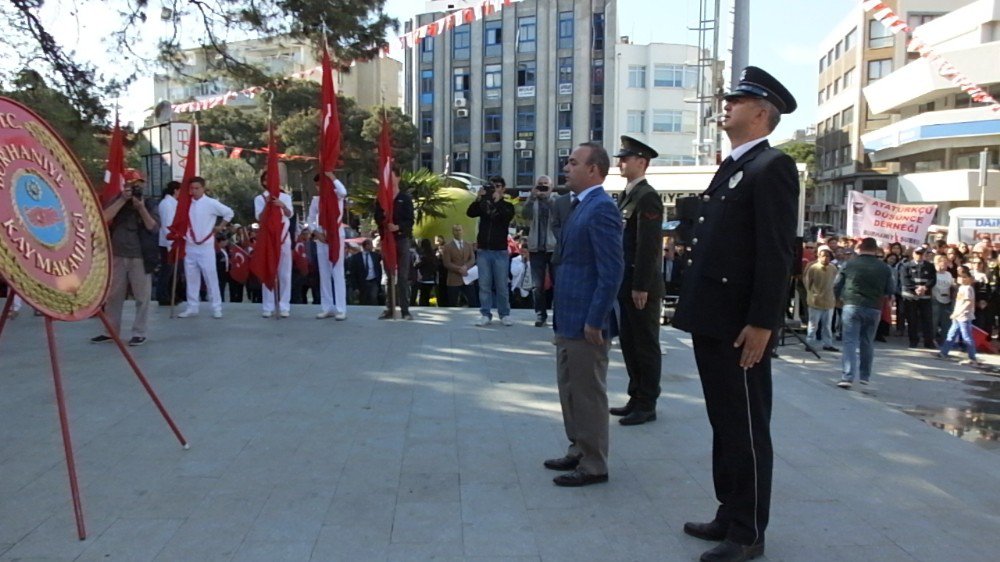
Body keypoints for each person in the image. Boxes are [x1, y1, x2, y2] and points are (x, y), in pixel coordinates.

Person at [671, 66, 799, 562]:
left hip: (741, 323)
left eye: (738, 100)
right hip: (713, 317)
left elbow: (776, 252)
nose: (727, 105)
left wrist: (764, 321)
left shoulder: (773, 167)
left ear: (762, 112)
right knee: (724, 421)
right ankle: (729, 511)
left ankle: (748, 533)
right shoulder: (734, 166)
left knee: (745, 425)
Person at [543, 141, 624, 487]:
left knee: (588, 393)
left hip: (587, 322)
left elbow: (612, 270)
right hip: (569, 316)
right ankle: (578, 447)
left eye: (573, 162)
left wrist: (596, 318)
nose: (566, 167)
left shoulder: (602, 208)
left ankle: (594, 464)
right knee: (570, 388)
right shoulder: (579, 206)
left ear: (594, 170)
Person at [609, 135, 665, 426]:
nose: (620, 162)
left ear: (641, 162)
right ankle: (636, 395)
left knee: (645, 344)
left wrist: (641, 285)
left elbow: (649, 245)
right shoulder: (627, 194)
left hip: (641, 285)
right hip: (626, 282)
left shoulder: (647, 196)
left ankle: (647, 402)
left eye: (625, 158)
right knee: (630, 343)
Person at [92, 169, 160, 346]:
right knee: (114, 295)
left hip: (140, 256)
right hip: (118, 254)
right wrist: (122, 200)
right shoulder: (118, 199)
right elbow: (104, 218)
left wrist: (141, 207)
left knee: (142, 296)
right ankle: (110, 331)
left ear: (144, 184)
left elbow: (153, 227)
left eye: (138, 184)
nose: (134, 187)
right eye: (131, 184)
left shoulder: (151, 203)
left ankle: (140, 332)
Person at [834, 237, 895, 389]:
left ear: (860, 248)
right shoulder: (885, 268)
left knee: (850, 341)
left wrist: (839, 298)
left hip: (852, 304)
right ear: (875, 250)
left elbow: (837, 284)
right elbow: (890, 290)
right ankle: (865, 377)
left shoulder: (850, 264)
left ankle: (847, 376)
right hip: (874, 307)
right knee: (867, 341)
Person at [178, 176, 234, 319]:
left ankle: (216, 307)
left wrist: (220, 227)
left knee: (210, 276)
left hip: (206, 246)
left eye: (197, 188)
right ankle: (192, 306)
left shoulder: (211, 203)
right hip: (190, 245)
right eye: (192, 188)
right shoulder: (185, 204)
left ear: (203, 188)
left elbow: (229, 213)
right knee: (191, 277)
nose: (194, 191)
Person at [467, 176, 516, 326]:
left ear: (503, 188)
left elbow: (505, 217)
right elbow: (470, 212)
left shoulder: (507, 206)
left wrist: (496, 201)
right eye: (492, 185)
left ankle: (504, 313)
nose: (494, 188)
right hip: (483, 250)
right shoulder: (483, 205)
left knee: (501, 285)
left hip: (500, 251)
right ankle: (485, 314)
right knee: (484, 284)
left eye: (498, 185)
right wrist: (479, 198)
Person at [374, 163, 415, 320]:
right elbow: (377, 217)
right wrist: (384, 222)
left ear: (398, 177)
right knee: (388, 274)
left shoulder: (405, 199)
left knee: (403, 276)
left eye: (391, 178)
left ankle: (405, 310)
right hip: (387, 240)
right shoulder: (381, 199)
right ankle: (389, 308)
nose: (389, 182)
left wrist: (397, 227)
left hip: (402, 239)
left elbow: (410, 220)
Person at [308, 172, 349, 320]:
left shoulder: (336, 195)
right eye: (317, 185)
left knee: (337, 272)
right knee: (324, 274)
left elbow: (344, 192)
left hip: (336, 235)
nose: (319, 188)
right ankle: (327, 307)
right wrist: (316, 233)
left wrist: (332, 177)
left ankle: (341, 309)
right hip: (321, 237)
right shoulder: (316, 200)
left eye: (321, 184)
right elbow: (311, 219)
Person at [254, 171, 294, 318]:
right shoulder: (259, 199)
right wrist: (268, 205)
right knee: (269, 270)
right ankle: (268, 306)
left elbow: (290, 214)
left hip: (283, 237)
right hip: (268, 239)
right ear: (264, 182)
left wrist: (281, 205)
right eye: (267, 180)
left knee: (285, 274)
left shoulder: (286, 197)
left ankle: (284, 306)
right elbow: (259, 217)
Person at [521, 175, 558, 326]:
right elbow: (525, 216)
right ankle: (540, 314)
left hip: (553, 247)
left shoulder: (556, 200)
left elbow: (559, 215)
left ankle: (558, 314)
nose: (542, 188)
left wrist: (547, 198)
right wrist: (531, 197)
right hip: (536, 248)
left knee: (558, 283)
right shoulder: (533, 201)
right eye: (540, 185)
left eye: (545, 185)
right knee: (538, 285)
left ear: (551, 187)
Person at [938, 266, 983, 367]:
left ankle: (972, 357)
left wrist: (958, 313)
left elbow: (968, 303)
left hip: (964, 316)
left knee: (967, 337)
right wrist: (955, 313)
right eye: (960, 277)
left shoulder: (968, 288)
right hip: (958, 316)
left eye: (965, 277)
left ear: (970, 279)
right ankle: (944, 352)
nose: (962, 279)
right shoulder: (961, 288)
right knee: (951, 334)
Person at [802, 245, 839, 352]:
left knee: (827, 325)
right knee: (813, 325)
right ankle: (810, 343)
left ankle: (828, 344)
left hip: (829, 301)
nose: (825, 258)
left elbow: (835, 283)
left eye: (828, 256)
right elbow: (807, 283)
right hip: (815, 301)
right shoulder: (813, 267)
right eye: (823, 256)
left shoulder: (833, 268)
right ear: (818, 255)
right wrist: (812, 294)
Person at [900, 247, 937, 348]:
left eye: (921, 253)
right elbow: (905, 280)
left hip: (925, 297)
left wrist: (925, 287)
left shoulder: (930, 266)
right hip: (911, 297)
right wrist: (915, 289)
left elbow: (933, 279)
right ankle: (913, 341)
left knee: (927, 320)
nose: (919, 255)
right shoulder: (906, 266)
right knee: (912, 320)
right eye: (917, 253)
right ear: (913, 254)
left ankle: (928, 342)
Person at [439, 224, 477, 307]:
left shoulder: (468, 245)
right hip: (453, 279)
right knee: (453, 303)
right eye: (456, 230)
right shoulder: (448, 247)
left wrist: (465, 267)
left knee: (473, 303)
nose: (458, 232)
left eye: (459, 230)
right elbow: (446, 263)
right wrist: (459, 269)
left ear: (462, 231)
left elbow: (472, 259)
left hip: (468, 278)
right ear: (453, 232)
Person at [157, 181, 180, 306]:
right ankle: (163, 295)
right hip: (167, 242)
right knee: (166, 270)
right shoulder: (166, 204)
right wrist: (171, 243)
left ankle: (171, 294)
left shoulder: (172, 203)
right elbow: (167, 225)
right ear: (175, 190)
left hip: (172, 242)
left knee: (172, 271)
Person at [349, 239, 382, 305]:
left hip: (373, 281)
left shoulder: (375, 256)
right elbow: (353, 273)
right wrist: (355, 287)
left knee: (373, 297)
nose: (372, 246)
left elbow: (378, 268)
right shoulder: (356, 257)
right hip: (362, 282)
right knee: (363, 299)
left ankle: (374, 311)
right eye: (371, 245)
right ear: (366, 246)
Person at [931, 254, 955, 342]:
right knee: (934, 321)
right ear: (938, 263)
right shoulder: (933, 273)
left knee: (946, 322)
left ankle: (944, 340)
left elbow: (952, 285)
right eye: (943, 262)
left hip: (947, 300)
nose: (945, 264)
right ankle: (931, 338)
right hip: (935, 299)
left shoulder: (948, 274)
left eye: (946, 262)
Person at [414, 238, 439, 306]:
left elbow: (418, 265)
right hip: (431, 279)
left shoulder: (423, 255)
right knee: (427, 296)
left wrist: (415, 265)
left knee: (423, 297)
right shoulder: (433, 255)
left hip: (424, 279)